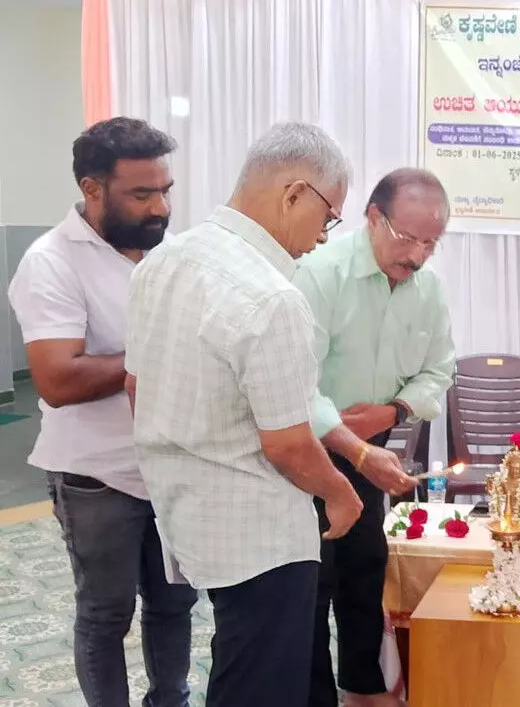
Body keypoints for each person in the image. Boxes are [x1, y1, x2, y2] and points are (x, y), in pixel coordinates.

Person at [124, 122, 366, 707]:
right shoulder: (272, 296)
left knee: (243, 662)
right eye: (328, 217)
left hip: (186, 509)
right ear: (294, 193)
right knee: (259, 683)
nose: (322, 237)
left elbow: (137, 386)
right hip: (262, 536)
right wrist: (341, 493)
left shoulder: (161, 262)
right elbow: (288, 443)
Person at [8, 117, 197, 706]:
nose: (160, 206)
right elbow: (58, 379)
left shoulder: (170, 254)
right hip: (96, 476)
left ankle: (170, 699)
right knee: (105, 613)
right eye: (141, 194)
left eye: (165, 190)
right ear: (92, 189)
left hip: (171, 466)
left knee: (175, 602)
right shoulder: (51, 261)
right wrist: (157, 353)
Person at [294, 167, 452, 707]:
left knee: (365, 568)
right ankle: (315, 697)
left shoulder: (428, 289)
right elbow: (297, 384)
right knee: (313, 583)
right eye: (408, 237)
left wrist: (392, 410)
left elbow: (439, 369)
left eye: (431, 243)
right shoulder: (320, 274)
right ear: (372, 218)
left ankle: (363, 688)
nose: (418, 255)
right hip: (305, 454)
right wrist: (351, 440)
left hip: (368, 453)